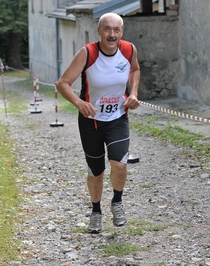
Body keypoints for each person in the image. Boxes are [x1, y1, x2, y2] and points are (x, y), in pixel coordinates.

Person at [55, 13, 140, 233]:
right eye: (107, 29)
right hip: (90, 121)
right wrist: (79, 102)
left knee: (120, 163)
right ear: (99, 30)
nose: (112, 34)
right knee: (96, 171)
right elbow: (63, 83)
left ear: (122, 32)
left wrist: (134, 94)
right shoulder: (88, 53)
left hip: (117, 118)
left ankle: (117, 202)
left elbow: (135, 69)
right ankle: (96, 211)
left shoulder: (129, 50)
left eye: (116, 30)